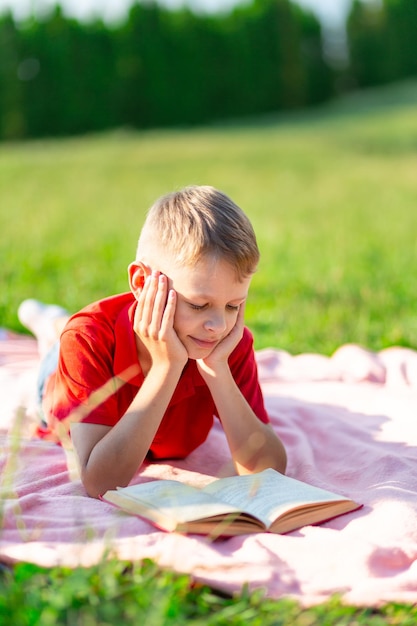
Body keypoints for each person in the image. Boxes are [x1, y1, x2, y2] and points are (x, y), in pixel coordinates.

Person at [18, 185, 287, 498]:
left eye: (233, 306)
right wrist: (165, 366)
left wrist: (218, 370)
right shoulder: (86, 340)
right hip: (56, 384)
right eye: (198, 305)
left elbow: (268, 467)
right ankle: (49, 322)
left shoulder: (227, 344)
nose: (219, 325)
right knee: (58, 343)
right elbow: (99, 482)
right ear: (142, 283)